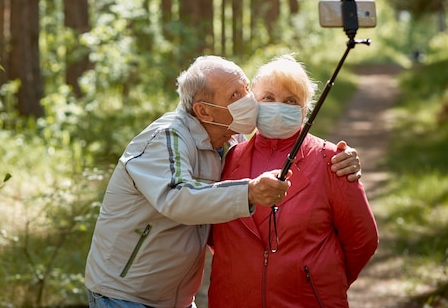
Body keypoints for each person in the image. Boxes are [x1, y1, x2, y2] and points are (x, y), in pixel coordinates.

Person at [85, 55, 362, 308]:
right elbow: (177, 198)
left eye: (245, 89)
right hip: (125, 296)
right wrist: (249, 192)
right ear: (204, 111)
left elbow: (289, 153)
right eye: (235, 95)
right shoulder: (166, 137)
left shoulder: (231, 141)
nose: (248, 101)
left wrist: (340, 157)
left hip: (176, 298)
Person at [208, 55, 379, 308]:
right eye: (268, 98)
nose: (278, 106)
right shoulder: (229, 157)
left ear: (304, 109)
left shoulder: (331, 160)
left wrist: (320, 280)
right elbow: (212, 233)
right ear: (253, 102)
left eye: (290, 100)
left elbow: (362, 239)